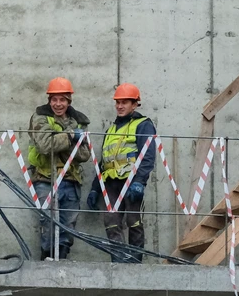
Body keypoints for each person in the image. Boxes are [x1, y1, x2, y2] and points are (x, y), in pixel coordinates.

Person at [86, 83, 156, 263]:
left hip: (131, 182)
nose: (120, 106)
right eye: (118, 102)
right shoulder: (111, 130)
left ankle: (134, 262)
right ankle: (119, 263)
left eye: (124, 102)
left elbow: (147, 156)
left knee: (134, 222)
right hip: (111, 184)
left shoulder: (143, 125)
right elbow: (104, 162)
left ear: (135, 104)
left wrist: (140, 181)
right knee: (111, 223)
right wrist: (95, 188)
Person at [27, 77, 91, 261]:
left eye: (62, 99)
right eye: (54, 99)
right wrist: (71, 136)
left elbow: (84, 155)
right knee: (48, 220)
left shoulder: (78, 121)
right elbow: (45, 146)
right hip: (46, 179)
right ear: (49, 100)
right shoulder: (40, 117)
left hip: (71, 180)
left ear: (69, 100)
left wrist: (63, 139)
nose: (58, 104)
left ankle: (62, 260)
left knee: (68, 223)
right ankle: (47, 259)